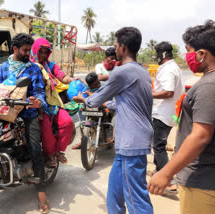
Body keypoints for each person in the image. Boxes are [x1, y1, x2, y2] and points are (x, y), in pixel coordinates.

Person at [148, 20, 215, 214]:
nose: (187, 56)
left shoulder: (211, 86)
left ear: (202, 54)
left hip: (203, 180)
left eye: (189, 51)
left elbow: (200, 136)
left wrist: (165, 173)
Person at [73, 27, 153, 214]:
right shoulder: (142, 71)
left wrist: (83, 98)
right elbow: (127, 103)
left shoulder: (121, 72)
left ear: (123, 48)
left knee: (136, 200)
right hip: (131, 142)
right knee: (115, 195)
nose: (114, 49)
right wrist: (109, 104)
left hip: (131, 143)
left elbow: (95, 99)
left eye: (116, 45)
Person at [0, 33, 49, 214]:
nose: (28, 53)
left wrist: (37, 102)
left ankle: (42, 194)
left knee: (35, 147)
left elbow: (41, 93)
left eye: (29, 50)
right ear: (15, 49)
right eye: (25, 50)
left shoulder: (34, 69)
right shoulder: (4, 68)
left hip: (28, 113)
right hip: (5, 112)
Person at [30, 37, 77, 166]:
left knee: (67, 123)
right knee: (46, 131)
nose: (44, 55)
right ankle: (50, 155)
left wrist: (71, 79)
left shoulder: (50, 66)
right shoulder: (29, 66)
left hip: (53, 102)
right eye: (41, 52)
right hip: (37, 105)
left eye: (46, 52)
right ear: (35, 51)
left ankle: (58, 151)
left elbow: (61, 75)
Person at [150, 41, 184, 194]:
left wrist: (149, 94)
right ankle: (158, 170)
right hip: (169, 113)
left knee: (158, 146)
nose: (156, 57)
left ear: (163, 54)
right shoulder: (173, 67)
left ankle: (168, 180)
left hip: (162, 114)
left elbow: (168, 92)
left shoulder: (169, 69)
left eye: (157, 54)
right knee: (158, 144)